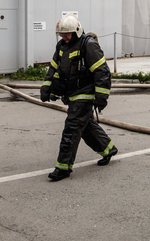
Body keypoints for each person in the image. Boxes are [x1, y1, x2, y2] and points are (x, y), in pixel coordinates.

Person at [40, 13, 117, 181]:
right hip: (71, 94)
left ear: (76, 31)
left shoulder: (88, 45)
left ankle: (63, 168)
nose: (64, 37)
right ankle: (108, 148)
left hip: (85, 94)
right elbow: (53, 68)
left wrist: (101, 97)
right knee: (85, 125)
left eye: (67, 34)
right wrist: (47, 88)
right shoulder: (61, 46)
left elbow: (101, 71)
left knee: (72, 128)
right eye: (62, 34)